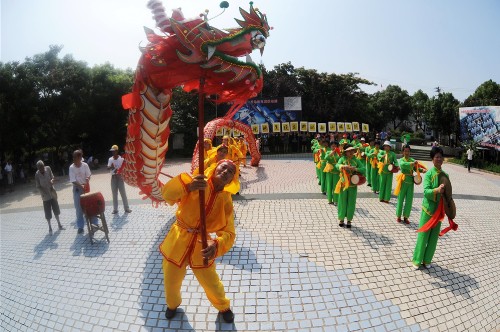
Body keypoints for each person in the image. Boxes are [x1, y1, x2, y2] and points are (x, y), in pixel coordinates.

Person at [160, 160, 238, 323]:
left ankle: (223, 306)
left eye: (231, 171)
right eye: (223, 167)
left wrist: (216, 244)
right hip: (178, 238)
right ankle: (172, 305)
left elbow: (229, 232)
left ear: (232, 180)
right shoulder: (196, 180)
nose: (226, 172)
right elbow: (166, 194)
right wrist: (187, 187)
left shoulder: (226, 200)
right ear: (216, 167)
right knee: (171, 279)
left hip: (202, 245)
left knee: (211, 282)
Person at [412, 146, 448, 269]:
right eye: (436, 157)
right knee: (423, 235)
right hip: (428, 210)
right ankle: (417, 260)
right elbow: (426, 191)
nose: (439, 159)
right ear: (432, 159)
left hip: (439, 212)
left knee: (433, 238)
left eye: (440, 157)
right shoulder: (428, 174)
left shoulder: (445, 175)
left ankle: (427, 260)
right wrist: (437, 190)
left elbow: (448, 193)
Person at [335, 145, 365, 228]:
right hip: (343, 184)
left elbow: (364, 169)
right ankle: (341, 219)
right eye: (349, 151)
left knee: (351, 203)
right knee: (342, 202)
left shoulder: (356, 160)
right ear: (345, 152)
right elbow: (337, 165)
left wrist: (355, 169)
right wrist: (342, 166)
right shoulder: (342, 159)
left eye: (352, 151)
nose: (351, 152)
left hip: (353, 185)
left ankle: (349, 220)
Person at [394, 145, 426, 224]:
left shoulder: (412, 160)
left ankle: (406, 217)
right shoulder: (401, 160)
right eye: (405, 151)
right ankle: (398, 216)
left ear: (410, 152)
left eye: (408, 151)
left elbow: (416, 168)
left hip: (411, 182)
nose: (407, 152)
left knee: (409, 200)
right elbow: (403, 165)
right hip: (403, 181)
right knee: (400, 199)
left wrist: (422, 170)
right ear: (403, 152)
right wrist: (412, 163)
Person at [69, 150, 97, 234]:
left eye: (75, 157)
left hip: (86, 187)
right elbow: (73, 180)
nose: (73, 159)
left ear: (80, 158)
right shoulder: (71, 167)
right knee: (78, 208)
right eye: (73, 157)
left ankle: (94, 223)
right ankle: (80, 226)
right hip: (77, 189)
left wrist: (87, 179)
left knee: (90, 206)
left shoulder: (85, 165)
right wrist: (81, 186)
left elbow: (88, 174)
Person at [35, 160, 65, 235]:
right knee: (47, 212)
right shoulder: (37, 174)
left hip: (52, 192)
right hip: (45, 196)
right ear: (38, 168)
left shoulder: (48, 168)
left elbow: (53, 177)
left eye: (42, 167)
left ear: (44, 165)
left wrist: (52, 180)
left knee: (56, 209)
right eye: (40, 168)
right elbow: (38, 186)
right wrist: (43, 192)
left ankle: (59, 224)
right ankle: (50, 227)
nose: (41, 169)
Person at [107, 145, 132, 214]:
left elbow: (125, 167)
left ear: (117, 151)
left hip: (120, 178)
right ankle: (115, 209)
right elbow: (108, 167)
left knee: (123, 193)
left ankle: (126, 208)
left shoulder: (121, 159)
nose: (112, 153)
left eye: (114, 151)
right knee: (114, 194)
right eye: (112, 151)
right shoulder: (110, 159)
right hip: (113, 178)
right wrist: (110, 167)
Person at [324, 141, 341, 205]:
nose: (334, 147)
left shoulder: (339, 153)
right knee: (329, 185)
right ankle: (329, 199)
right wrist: (332, 152)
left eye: (335, 146)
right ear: (330, 146)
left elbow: (341, 159)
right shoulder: (328, 152)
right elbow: (326, 158)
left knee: (335, 186)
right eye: (332, 146)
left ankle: (335, 200)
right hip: (329, 170)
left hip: (336, 171)